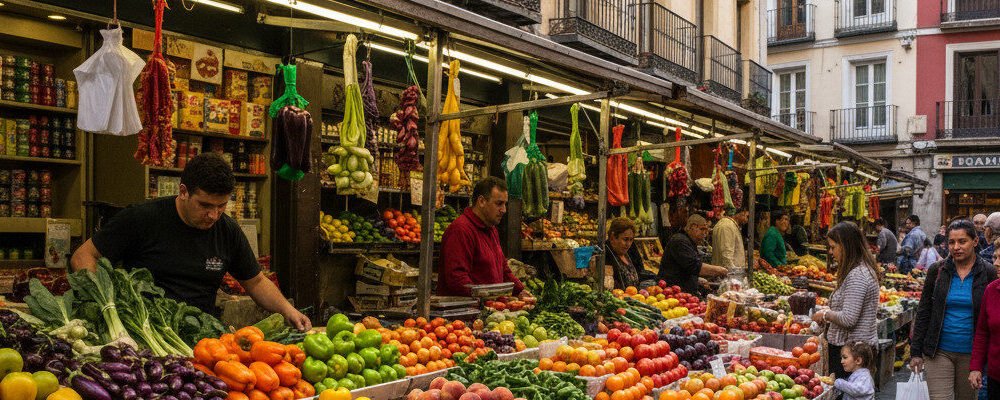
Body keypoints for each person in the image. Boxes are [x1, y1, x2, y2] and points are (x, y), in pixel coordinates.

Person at [70, 153, 311, 329]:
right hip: (142, 329)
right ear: (183, 191)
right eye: (205, 205)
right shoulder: (141, 217)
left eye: (221, 206)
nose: (213, 215)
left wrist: (288, 310)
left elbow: (256, 281)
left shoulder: (227, 230)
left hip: (202, 332)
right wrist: (105, 304)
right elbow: (83, 256)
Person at [911, 219, 997, 400]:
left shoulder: (988, 271)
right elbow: (924, 310)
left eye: (962, 241)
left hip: (972, 353)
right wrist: (916, 352)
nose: (956, 247)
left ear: (975, 241)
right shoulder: (937, 270)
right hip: (938, 351)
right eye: (951, 242)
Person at [810, 222, 879, 379]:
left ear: (846, 246)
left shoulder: (858, 275)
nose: (830, 251)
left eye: (833, 247)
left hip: (853, 354)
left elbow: (849, 318)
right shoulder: (858, 271)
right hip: (853, 352)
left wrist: (826, 314)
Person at [438, 177, 525, 296]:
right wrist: (485, 298)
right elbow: (457, 279)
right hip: (466, 310)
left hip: (487, 308)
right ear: (482, 201)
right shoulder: (461, 230)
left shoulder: (491, 229)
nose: (504, 210)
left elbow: (503, 269)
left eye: (505, 204)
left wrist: (520, 290)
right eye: (499, 203)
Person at [658, 214, 728, 294]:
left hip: (681, 291)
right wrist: (720, 270)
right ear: (692, 227)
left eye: (706, 230)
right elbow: (695, 265)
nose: (705, 233)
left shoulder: (688, 241)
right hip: (671, 292)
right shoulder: (680, 241)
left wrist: (697, 280)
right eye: (702, 229)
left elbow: (684, 268)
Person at [971, 247, 1000, 399]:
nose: (996, 263)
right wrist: (976, 367)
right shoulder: (992, 290)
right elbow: (982, 332)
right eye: (995, 257)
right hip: (995, 376)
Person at [605, 217, 644, 290]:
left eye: (631, 239)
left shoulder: (631, 250)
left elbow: (641, 271)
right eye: (625, 239)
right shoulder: (605, 255)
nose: (628, 244)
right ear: (613, 237)